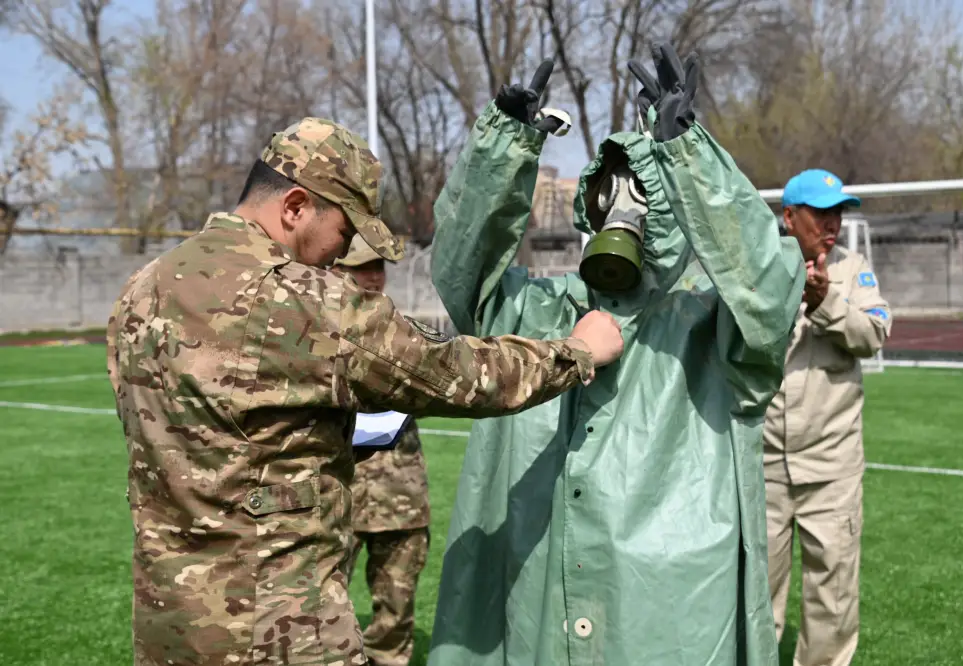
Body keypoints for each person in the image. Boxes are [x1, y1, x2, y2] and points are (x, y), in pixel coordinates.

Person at [104, 117, 625, 666]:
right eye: (345, 234)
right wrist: (575, 351)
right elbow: (453, 374)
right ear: (295, 207)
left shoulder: (144, 286)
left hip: (170, 628)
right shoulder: (301, 301)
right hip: (279, 633)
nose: (341, 255)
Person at [426, 42, 806, 666]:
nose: (623, 205)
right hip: (537, 600)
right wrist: (504, 146)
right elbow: (464, 269)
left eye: (642, 193)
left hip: (664, 618)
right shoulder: (536, 313)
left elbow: (766, 285)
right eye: (609, 190)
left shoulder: (713, 330)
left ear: (675, 208)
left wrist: (689, 153)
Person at [764, 168, 893, 666]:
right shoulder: (759, 269)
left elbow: (873, 334)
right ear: (790, 216)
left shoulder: (853, 269)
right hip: (765, 462)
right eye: (820, 212)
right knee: (755, 592)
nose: (832, 223)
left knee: (832, 600)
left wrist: (826, 303)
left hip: (832, 466)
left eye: (838, 212)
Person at [333, 234, 432, 666]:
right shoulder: (311, 333)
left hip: (400, 494)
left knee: (395, 612)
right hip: (337, 493)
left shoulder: (403, 332)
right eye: (361, 268)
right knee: (316, 610)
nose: (372, 277)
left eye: (378, 268)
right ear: (336, 270)